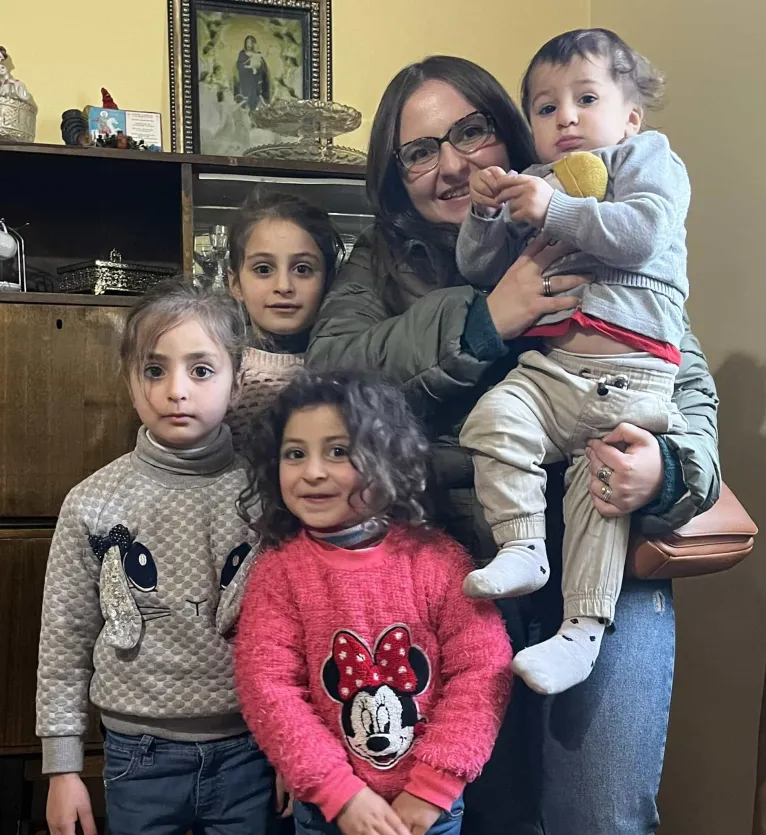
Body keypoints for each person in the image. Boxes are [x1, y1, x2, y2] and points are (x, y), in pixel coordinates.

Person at [307, 54, 720, 834]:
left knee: (600, 814)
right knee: (485, 812)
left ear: (512, 129)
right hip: (454, 578)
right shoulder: (380, 263)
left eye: (471, 132)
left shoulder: (602, 213)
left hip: (607, 565)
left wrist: (666, 472)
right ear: (395, 177)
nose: (452, 165)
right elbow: (331, 383)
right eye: (420, 151)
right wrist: (485, 317)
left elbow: (683, 382)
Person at [455, 28, 690, 696]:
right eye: (545, 106)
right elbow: (480, 268)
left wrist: (555, 209)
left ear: (630, 117)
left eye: (586, 98)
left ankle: (581, 633)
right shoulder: (534, 182)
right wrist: (485, 213)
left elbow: (643, 233)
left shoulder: (648, 158)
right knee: (495, 416)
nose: (566, 118)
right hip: (554, 372)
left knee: (598, 499)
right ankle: (522, 546)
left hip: (632, 373)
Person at [36, 280, 273, 835]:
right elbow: (64, 640)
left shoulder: (269, 497)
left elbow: (296, 632)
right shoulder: (93, 501)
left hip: (253, 748)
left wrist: (293, 755)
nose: (176, 391)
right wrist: (63, 767)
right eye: (154, 370)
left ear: (237, 383)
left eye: (201, 370)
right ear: (130, 382)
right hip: (136, 753)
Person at [234, 370, 513, 835]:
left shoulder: (439, 560)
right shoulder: (279, 573)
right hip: (327, 811)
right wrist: (336, 791)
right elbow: (268, 689)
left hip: (430, 811)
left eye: (338, 451)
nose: (313, 471)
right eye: (295, 453)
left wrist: (434, 785)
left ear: (388, 458)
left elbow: (484, 670)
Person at [226, 189, 344, 457]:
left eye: (302, 269)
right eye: (263, 269)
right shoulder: (218, 374)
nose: (284, 286)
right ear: (235, 284)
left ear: (328, 280)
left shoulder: (347, 370)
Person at [236, 35, 270, 111]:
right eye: (247, 42)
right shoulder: (242, 53)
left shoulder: (258, 53)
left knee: (257, 97)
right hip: (246, 80)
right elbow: (240, 66)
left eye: (251, 43)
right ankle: (248, 111)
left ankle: (256, 111)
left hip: (256, 79)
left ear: (254, 44)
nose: (249, 44)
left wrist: (258, 68)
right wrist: (249, 68)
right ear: (245, 43)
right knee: (247, 98)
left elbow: (263, 67)